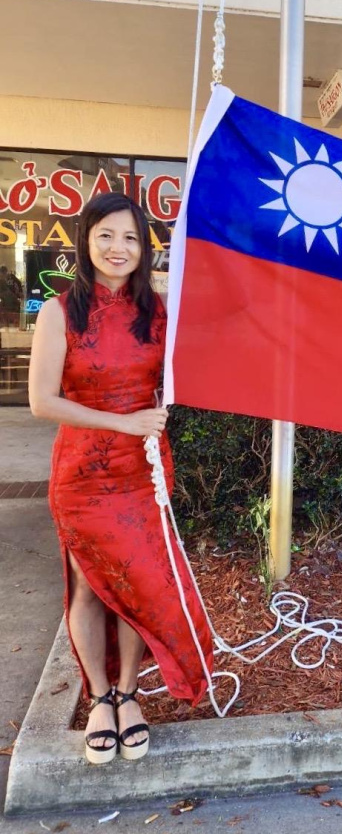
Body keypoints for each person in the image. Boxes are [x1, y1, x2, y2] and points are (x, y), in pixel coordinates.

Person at [29, 192, 214, 765]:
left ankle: (130, 693)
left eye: (131, 238)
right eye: (107, 235)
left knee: (136, 583)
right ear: (86, 241)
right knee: (90, 586)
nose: (118, 248)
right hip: (82, 473)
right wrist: (122, 420)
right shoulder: (61, 311)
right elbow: (41, 401)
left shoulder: (160, 312)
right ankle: (99, 700)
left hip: (143, 470)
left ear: (144, 249)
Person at [0, 264, 23, 329]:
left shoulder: (11, 278)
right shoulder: (9, 294)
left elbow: (18, 284)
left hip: (8, 312)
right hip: (11, 311)